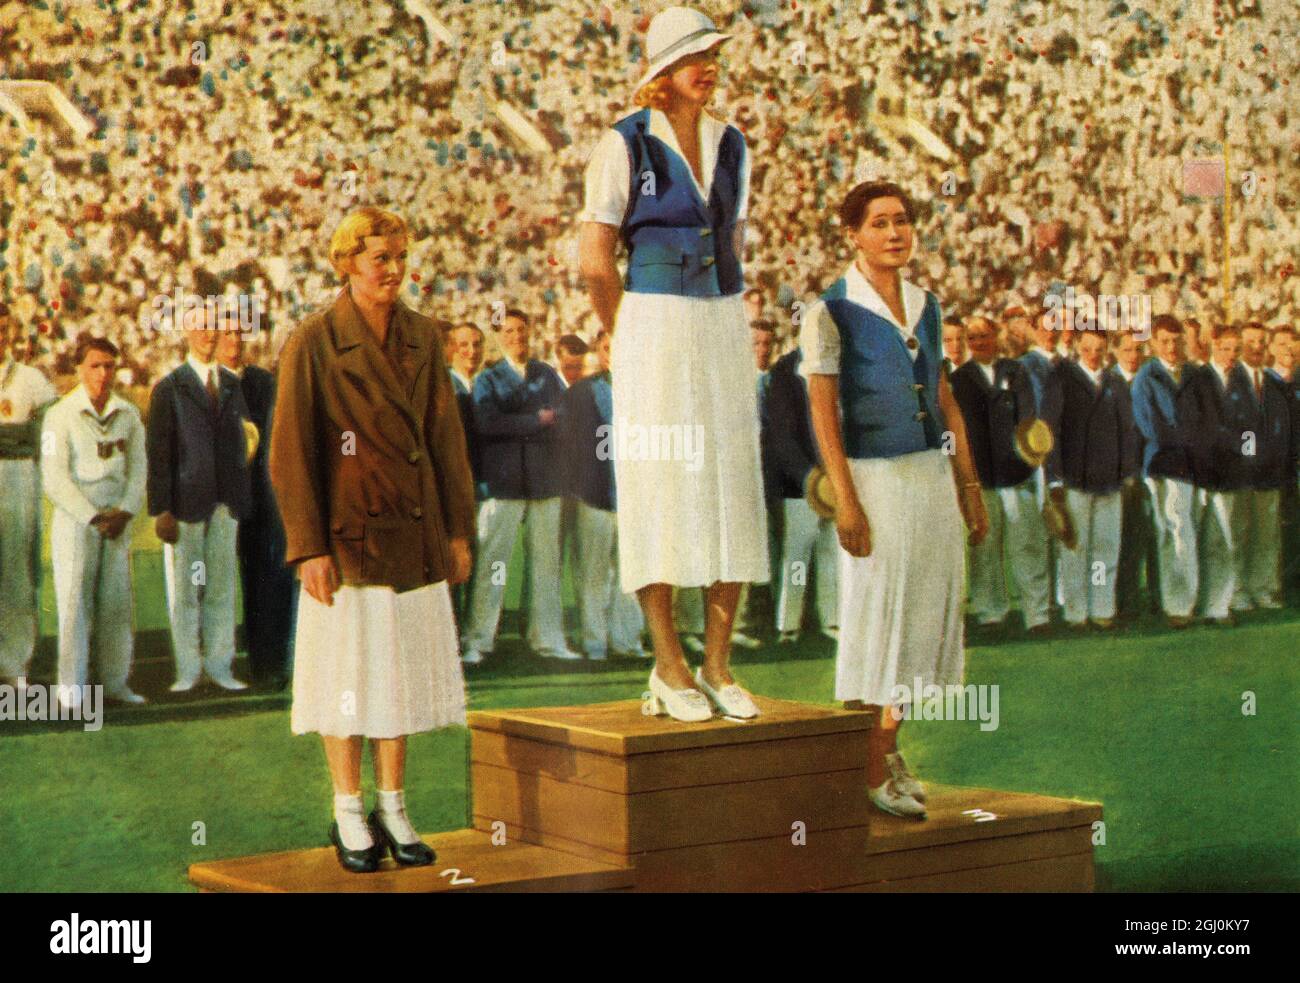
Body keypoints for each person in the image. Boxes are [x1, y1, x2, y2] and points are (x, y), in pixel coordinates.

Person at [269, 206, 475, 874]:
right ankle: (349, 808)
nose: (393, 269)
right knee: (347, 678)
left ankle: (394, 804)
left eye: (399, 255)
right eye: (379, 257)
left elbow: (445, 438)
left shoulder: (424, 334)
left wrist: (458, 529)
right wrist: (308, 546)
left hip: (414, 536)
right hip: (347, 540)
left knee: (401, 677)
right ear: (348, 261)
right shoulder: (315, 339)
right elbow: (291, 453)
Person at [578, 6, 768, 722]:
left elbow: (737, 244)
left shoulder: (734, 143)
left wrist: (726, 315)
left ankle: (718, 663)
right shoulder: (623, 142)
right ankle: (668, 663)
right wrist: (626, 333)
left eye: (715, 51)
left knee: (730, 480)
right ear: (661, 71)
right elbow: (596, 261)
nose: (709, 64)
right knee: (660, 485)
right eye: (695, 54)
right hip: (651, 322)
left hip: (722, 318)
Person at [801, 181, 989, 818]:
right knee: (877, 615)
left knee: (921, 617)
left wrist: (968, 484)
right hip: (872, 477)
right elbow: (823, 412)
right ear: (853, 234)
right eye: (879, 223)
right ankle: (868, 761)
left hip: (929, 475)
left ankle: (887, 746)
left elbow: (945, 401)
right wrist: (846, 502)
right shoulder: (831, 309)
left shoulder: (927, 303)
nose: (894, 233)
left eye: (902, 221)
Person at [460, 309, 581, 665]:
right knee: (494, 565)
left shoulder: (545, 374)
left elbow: (562, 418)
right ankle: (478, 639)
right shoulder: (490, 378)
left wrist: (531, 422)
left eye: (521, 330)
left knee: (546, 564)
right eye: (509, 331)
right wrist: (534, 420)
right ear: (499, 337)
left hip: (545, 481)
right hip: (505, 483)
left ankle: (547, 638)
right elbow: (486, 423)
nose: (517, 337)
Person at [146, 308, 252, 692]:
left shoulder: (229, 384)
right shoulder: (170, 387)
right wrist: (163, 508)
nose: (210, 335)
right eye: (202, 327)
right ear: (188, 331)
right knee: (189, 589)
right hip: (186, 503)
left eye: (214, 328)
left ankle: (221, 667)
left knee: (221, 587)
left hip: (225, 502)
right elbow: (158, 453)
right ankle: (188, 670)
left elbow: (242, 441)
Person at [41, 336, 146, 706]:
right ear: (79, 370)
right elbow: (54, 478)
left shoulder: (128, 414)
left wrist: (125, 510)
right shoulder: (60, 415)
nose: (102, 374)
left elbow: (138, 471)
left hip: (117, 518)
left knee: (117, 604)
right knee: (74, 604)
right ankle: (73, 691)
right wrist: (91, 515)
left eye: (108, 366)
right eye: (94, 366)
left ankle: (116, 684)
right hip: (77, 521)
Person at [950, 316, 1052, 633]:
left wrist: (1028, 456)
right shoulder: (961, 379)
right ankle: (990, 612)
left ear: (996, 336)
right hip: (982, 477)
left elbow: (1028, 416)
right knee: (985, 547)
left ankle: (1038, 614)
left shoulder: (1015, 370)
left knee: (1028, 544)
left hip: (1017, 472)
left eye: (985, 335)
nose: (979, 341)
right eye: (973, 337)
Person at [1040, 328, 1140, 629]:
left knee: (1106, 548)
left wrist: (1128, 471)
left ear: (1106, 350)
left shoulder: (1115, 382)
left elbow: (1127, 430)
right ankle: (1075, 611)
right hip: (1075, 476)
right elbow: (1050, 431)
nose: (1093, 355)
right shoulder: (1063, 378)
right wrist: (1054, 478)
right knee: (1076, 547)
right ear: (1078, 348)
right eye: (1088, 348)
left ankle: (1101, 607)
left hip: (1110, 478)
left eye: (1099, 349)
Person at [217, 329, 296, 690]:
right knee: (214, 583)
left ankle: (271, 662)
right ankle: (210, 668)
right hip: (217, 498)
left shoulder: (264, 381)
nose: (233, 340)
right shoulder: (204, 382)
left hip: (263, 498)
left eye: (238, 333)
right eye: (225, 333)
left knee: (268, 577)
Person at [561, 329, 647, 660]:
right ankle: (594, 641)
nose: (614, 352)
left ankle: (627, 640)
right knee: (594, 573)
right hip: (594, 497)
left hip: (634, 498)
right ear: (600, 351)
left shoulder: (645, 390)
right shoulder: (581, 393)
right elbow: (570, 449)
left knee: (632, 573)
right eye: (607, 347)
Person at [765, 341, 838, 643]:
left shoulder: (839, 363)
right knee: (796, 557)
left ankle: (833, 620)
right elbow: (782, 434)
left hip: (837, 479)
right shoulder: (785, 370)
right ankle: (788, 625)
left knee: (832, 552)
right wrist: (810, 476)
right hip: (800, 484)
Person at [0, 304, 57, 690]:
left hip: (17, 474)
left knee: (17, 569)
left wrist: (24, 438)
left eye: (4, 328)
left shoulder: (30, 379)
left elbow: (50, 429)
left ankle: (15, 663)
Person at [1131, 315, 1201, 627]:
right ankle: (1177, 605)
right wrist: (1188, 441)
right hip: (1163, 464)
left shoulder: (1192, 374)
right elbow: (1150, 426)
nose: (1172, 346)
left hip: (1191, 465)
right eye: (1165, 341)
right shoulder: (1146, 377)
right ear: (1154, 343)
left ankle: (1185, 600)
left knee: (1185, 532)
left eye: (1176, 340)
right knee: (1172, 533)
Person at [1186, 324, 1252, 625]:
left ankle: (1219, 605)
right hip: (1202, 471)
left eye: (1235, 350)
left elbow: (1250, 425)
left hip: (1231, 473)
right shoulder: (1199, 379)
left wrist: (1248, 459)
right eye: (1225, 348)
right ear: (1214, 345)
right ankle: (1195, 602)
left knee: (1224, 538)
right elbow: (1193, 426)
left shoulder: (1241, 380)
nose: (1230, 355)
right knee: (1196, 539)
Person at [1231, 322, 1289, 611]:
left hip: (1269, 473)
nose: (1256, 347)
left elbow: (1280, 426)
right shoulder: (1231, 378)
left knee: (1266, 535)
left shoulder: (1273, 382)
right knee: (1239, 532)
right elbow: (1239, 426)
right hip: (1243, 471)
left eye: (1261, 342)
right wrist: (1249, 458)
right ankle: (1238, 590)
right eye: (1251, 341)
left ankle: (1263, 588)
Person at [1112, 332, 1161, 619]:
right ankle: (1125, 602)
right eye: (1127, 349)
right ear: (1115, 351)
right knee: (1124, 542)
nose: (1133, 355)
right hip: (1120, 476)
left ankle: (1157, 598)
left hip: (1150, 471)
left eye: (1138, 349)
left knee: (1154, 537)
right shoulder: (1109, 382)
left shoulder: (1150, 381)